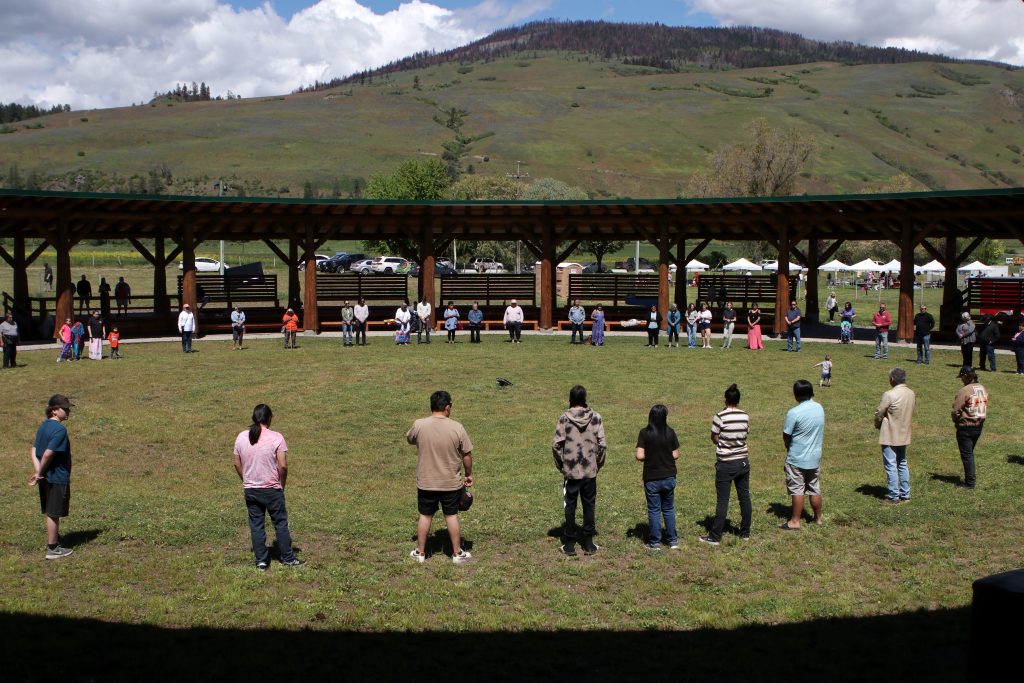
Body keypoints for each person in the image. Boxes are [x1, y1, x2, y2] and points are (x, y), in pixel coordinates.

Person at [233, 404, 304, 570]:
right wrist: (282, 484)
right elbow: (283, 466)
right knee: (280, 523)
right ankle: (287, 558)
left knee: (256, 525)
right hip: (272, 489)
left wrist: (246, 479)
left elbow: (236, 462)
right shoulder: (276, 437)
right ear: (270, 418)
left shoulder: (241, 437)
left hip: (251, 489)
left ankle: (261, 561)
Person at [406, 390, 474, 564]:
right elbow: (466, 454)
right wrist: (468, 474)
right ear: (447, 407)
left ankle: (420, 553)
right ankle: (457, 553)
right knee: (451, 516)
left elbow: (410, 439)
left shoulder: (419, 424)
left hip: (426, 482)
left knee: (425, 515)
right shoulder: (457, 427)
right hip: (450, 483)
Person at [553, 385, 606, 556]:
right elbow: (602, 445)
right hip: (590, 469)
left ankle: (569, 544)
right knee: (589, 505)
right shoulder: (596, 418)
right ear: (584, 398)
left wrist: (561, 465)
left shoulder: (564, 419)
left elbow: (555, 445)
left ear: (571, 398)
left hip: (571, 470)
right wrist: (598, 464)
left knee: (570, 505)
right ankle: (589, 543)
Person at [700, 383, 752, 545]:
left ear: (725, 399)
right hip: (743, 461)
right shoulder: (745, 415)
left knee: (723, 500)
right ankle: (745, 532)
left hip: (726, 463)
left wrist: (722, 442)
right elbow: (744, 434)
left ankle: (715, 536)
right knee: (744, 497)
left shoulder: (720, 416)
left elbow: (714, 437)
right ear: (738, 399)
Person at [28, 394, 75, 560]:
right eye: (65, 408)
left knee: (51, 511)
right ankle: (53, 548)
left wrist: (38, 471)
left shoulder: (43, 427)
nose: (68, 411)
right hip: (56, 477)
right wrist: (39, 472)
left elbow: (34, 451)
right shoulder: (59, 429)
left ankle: (55, 540)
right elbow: (48, 453)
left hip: (46, 477)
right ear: (54, 410)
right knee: (54, 513)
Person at [780, 380, 825, 530]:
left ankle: (795, 521)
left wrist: (788, 445)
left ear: (796, 394)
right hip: (815, 457)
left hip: (797, 458)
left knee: (797, 489)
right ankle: (818, 518)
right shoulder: (819, 408)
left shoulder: (794, 412)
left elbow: (786, 435)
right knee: (814, 488)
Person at [636, 405, 680, 550]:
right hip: (669, 476)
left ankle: (655, 542)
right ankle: (672, 540)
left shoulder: (645, 433)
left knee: (654, 510)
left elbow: (639, 455)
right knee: (668, 508)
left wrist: (651, 456)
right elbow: (675, 454)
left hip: (652, 477)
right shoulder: (670, 432)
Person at [875, 367, 916, 504]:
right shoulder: (911, 393)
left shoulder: (889, 394)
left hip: (890, 434)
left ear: (892, 379)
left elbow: (880, 412)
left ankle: (893, 496)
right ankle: (906, 493)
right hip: (904, 432)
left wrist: (877, 424)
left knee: (891, 464)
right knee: (902, 463)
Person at [952, 366, 988, 489]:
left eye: (962, 377)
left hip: (966, 426)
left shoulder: (965, 390)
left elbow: (956, 410)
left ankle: (970, 483)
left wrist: (956, 421)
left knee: (967, 455)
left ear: (966, 376)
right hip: (979, 425)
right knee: (969, 453)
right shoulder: (982, 388)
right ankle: (969, 479)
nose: (961, 380)